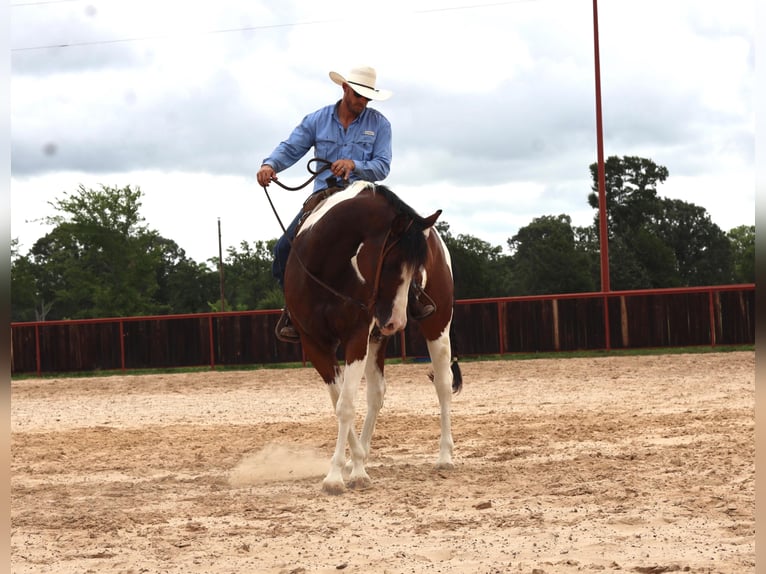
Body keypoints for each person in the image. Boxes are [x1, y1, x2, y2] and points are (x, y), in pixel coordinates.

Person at [257, 65, 434, 343]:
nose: (363, 102)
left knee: (399, 247)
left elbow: (382, 166)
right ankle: (295, 311)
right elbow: (291, 147)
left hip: (364, 199)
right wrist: (270, 165)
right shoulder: (317, 120)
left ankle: (411, 297)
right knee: (283, 252)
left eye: (367, 98)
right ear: (344, 89)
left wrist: (355, 165)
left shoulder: (379, 124)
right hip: (324, 199)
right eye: (358, 96)